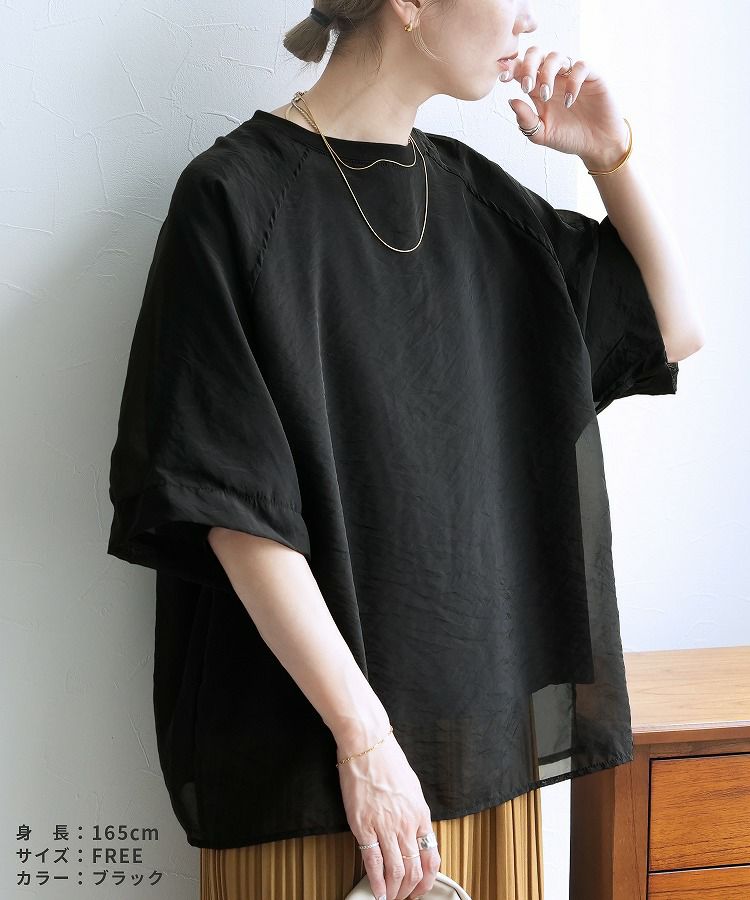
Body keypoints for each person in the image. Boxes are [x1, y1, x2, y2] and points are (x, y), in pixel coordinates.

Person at [106, 1, 705, 898]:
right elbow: (232, 508)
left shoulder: (480, 202)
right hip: (319, 769)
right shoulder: (235, 197)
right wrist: (365, 743)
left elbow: (671, 328)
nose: (529, 17)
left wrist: (609, 157)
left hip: (479, 763)